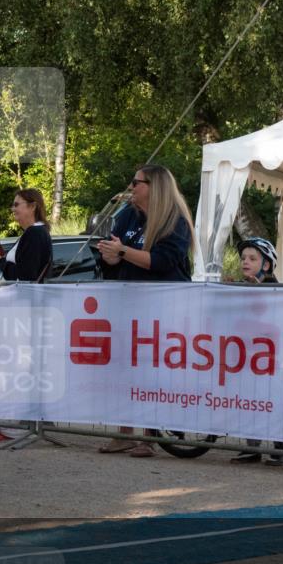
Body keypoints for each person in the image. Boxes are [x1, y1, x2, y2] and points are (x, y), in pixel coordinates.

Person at [95, 164, 194, 456]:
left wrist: (123, 252)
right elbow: (111, 256)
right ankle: (123, 432)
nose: (131, 187)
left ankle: (149, 437)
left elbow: (162, 261)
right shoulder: (127, 215)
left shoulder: (174, 220)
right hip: (129, 302)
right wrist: (111, 256)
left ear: (154, 187)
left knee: (153, 371)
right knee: (124, 368)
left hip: (165, 307)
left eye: (136, 182)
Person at [228, 238, 283, 466]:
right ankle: (251, 447)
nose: (245, 262)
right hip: (246, 355)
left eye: (252, 258)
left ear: (266, 265)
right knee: (248, 400)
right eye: (243, 258)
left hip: (269, 357)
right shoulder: (241, 286)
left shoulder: (273, 288)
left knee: (272, 402)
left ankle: (280, 448)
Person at [0, 188, 53, 282]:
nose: (13, 209)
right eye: (13, 205)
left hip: (23, 295)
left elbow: (26, 276)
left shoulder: (34, 233)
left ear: (32, 206)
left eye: (16, 205)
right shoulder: (37, 232)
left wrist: (1, 262)